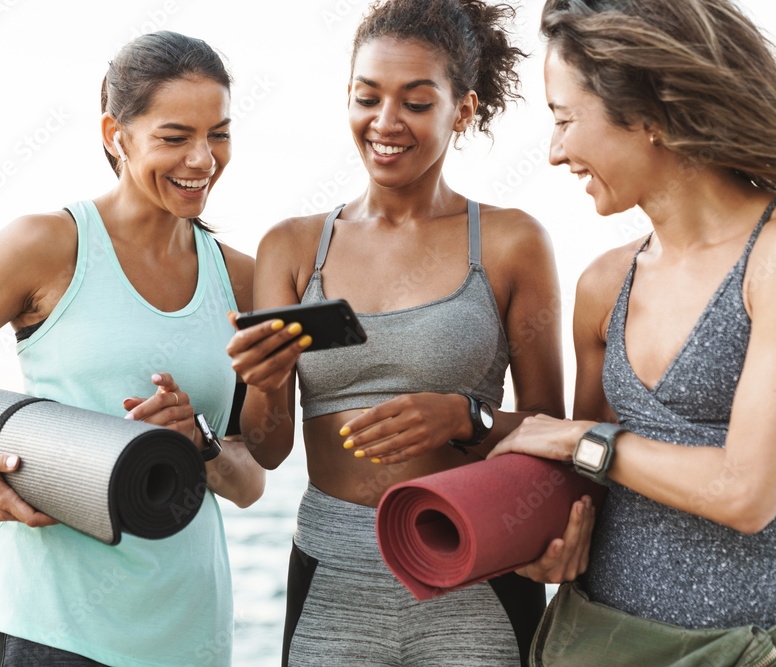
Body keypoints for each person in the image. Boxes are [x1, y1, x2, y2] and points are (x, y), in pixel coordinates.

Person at [0, 30, 265, 667]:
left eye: (218, 133)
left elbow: (249, 485)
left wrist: (201, 442)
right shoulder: (47, 246)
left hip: (189, 635)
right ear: (116, 133)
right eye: (174, 136)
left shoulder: (242, 279)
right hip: (43, 628)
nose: (202, 159)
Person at [226, 1, 594, 665]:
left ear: (464, 110)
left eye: (417, 103)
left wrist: (464, 414)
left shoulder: (511, 241)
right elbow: (268, 448)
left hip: (474, 562)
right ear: (348, 98)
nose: (386, 122)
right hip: (333, 574)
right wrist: (265, 383)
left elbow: (552, 431)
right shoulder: (292, 246)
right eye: (368, 97)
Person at [488, 0, 776, 663]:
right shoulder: (603, 285)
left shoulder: (766, 262)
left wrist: (573, 437)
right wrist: (552, 540)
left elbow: (745, 492)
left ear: (646, 112)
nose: (557, 151)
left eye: (564, 120)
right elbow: (582, 483)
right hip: (591, 641)